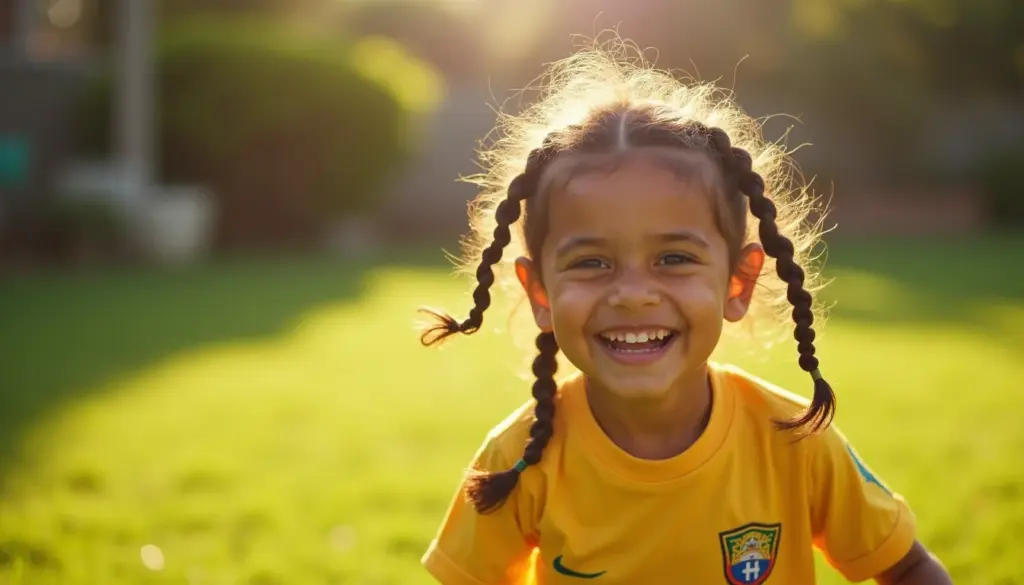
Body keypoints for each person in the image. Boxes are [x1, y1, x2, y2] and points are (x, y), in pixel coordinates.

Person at [416, 39, 953, 585]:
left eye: (673, 258)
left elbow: (907, 566)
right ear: (541, 294)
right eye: (592, 262)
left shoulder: (795, 441)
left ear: (737, 282)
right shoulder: (518, 460)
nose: (633, 293)